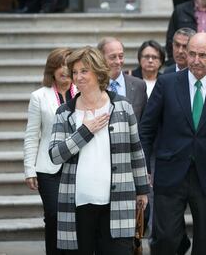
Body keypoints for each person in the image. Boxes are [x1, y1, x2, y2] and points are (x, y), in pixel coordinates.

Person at [139, 32, 206, 255]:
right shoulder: (167, 82)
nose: (195, 60)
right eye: (191, 53)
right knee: (165, 237)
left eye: (202, 55)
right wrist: (145, 166)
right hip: (169, 171)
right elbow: (146, 129)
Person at [48, 46, 149, 254]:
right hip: (78, 203)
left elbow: (136, 150)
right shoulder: (65, 112)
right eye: (74, 72)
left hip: (118, 201)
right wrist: (86, 131)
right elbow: (55, 155)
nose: (78, 77)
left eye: (84, 71)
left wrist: (142, 191)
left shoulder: (122, 106)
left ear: (98, 71)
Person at [24, 48, 75, 255]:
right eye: (59, 64)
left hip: (78, 165)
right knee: (54, 215)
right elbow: (32, 134)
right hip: (48, 167)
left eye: (68, 64)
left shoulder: (83, 92)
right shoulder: (39, 96)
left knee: (76, 217)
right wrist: (29, 169)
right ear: (52, 69)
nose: (64, 69)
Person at [97, 37, 147, 122]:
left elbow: (145, 121)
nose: (118, 61)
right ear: (100, 58)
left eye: (121, 56)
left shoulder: (139, 85)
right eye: (113, 57)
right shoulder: (94, 85)